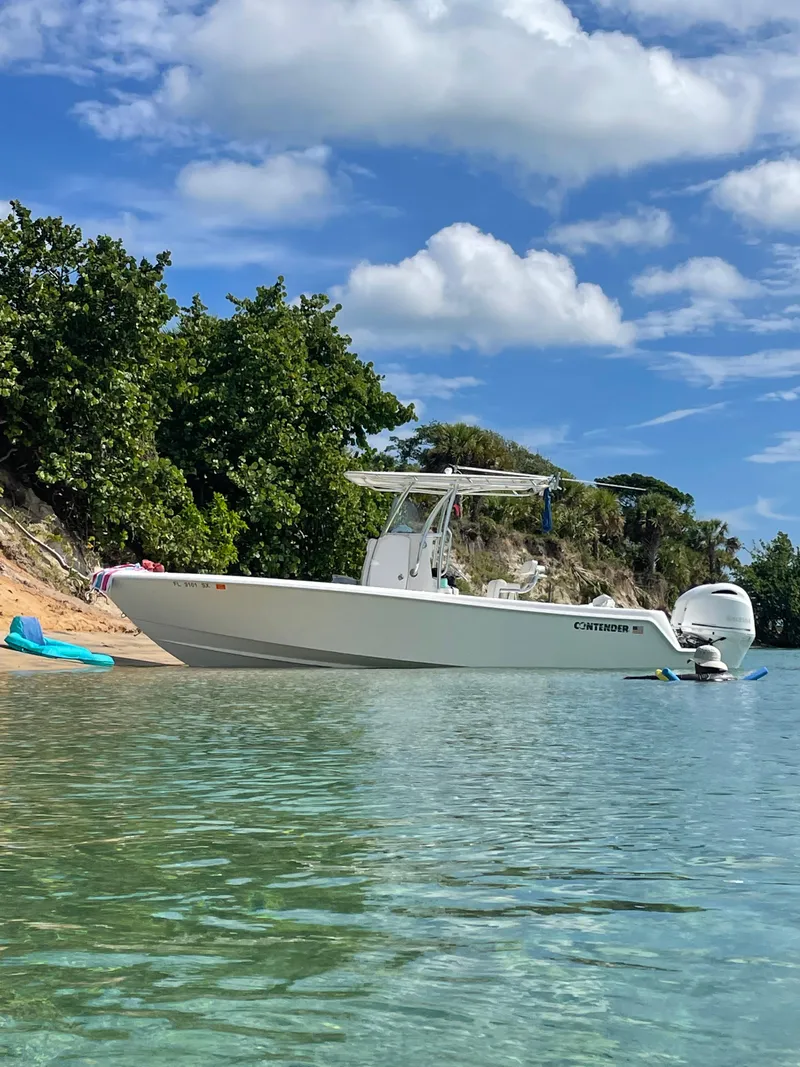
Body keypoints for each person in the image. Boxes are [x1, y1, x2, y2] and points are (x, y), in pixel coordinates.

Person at [625, 645, 735, 682]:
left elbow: (681, 678)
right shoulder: (730, 677)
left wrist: (633, 678)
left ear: (699, 664)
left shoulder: (703, 677)